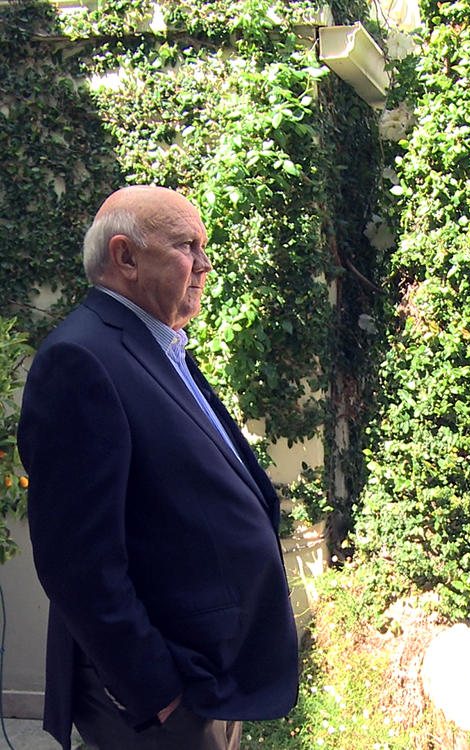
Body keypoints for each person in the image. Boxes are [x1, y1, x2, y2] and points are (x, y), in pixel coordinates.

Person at [17, 186, 299, 750]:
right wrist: (158, 692)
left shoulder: (155, 344)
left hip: (207, 672)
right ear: (125, 258)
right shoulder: (81, 360)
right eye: (186, 246)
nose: (204, 263)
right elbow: (78, 563)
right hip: (162, 696)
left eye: (204, 246)